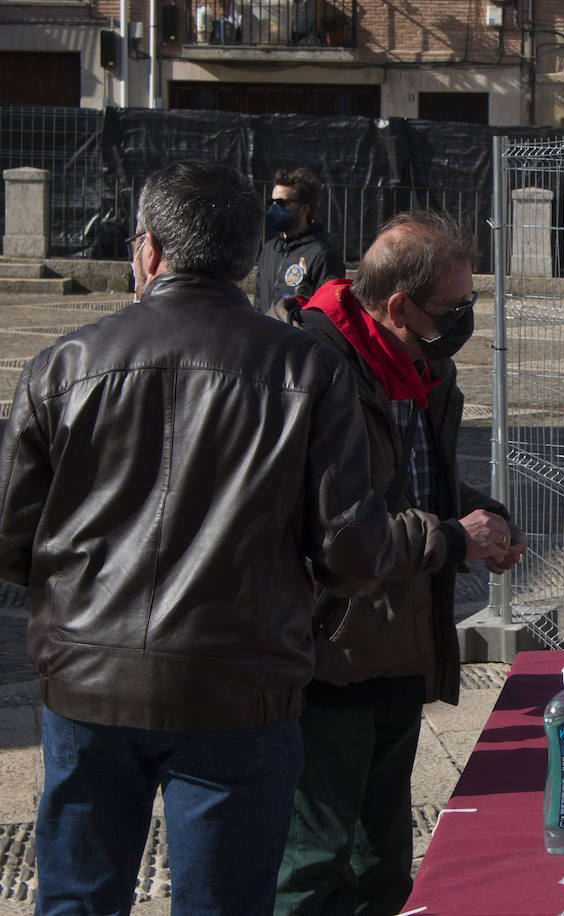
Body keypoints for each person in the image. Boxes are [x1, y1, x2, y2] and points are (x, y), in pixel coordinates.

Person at [0, 160, 399, 914]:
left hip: (87, 679)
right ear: (252, 260)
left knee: (77, 901)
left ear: (147, 251)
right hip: (239, 685)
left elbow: (13, 539)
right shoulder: (309, 371)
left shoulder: (63, 366)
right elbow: (352, 551)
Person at [271, 211, 528, 915]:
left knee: (384, 857)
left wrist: (488, 520)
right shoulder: (316, 370)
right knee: (314, 863)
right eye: (453, 308)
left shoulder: (423, 367)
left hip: (402, 640)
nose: (464, 320)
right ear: (396, 306)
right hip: (330, 647)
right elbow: (337, 529)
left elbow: (421, 482)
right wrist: (452, 536)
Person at [256, 165, 345, 312]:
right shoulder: (269, 249)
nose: (273, 208)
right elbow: (259, 301)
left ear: (304, 209)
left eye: (282, 203)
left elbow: (329, 311)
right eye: (271, 202)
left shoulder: (322, 255)